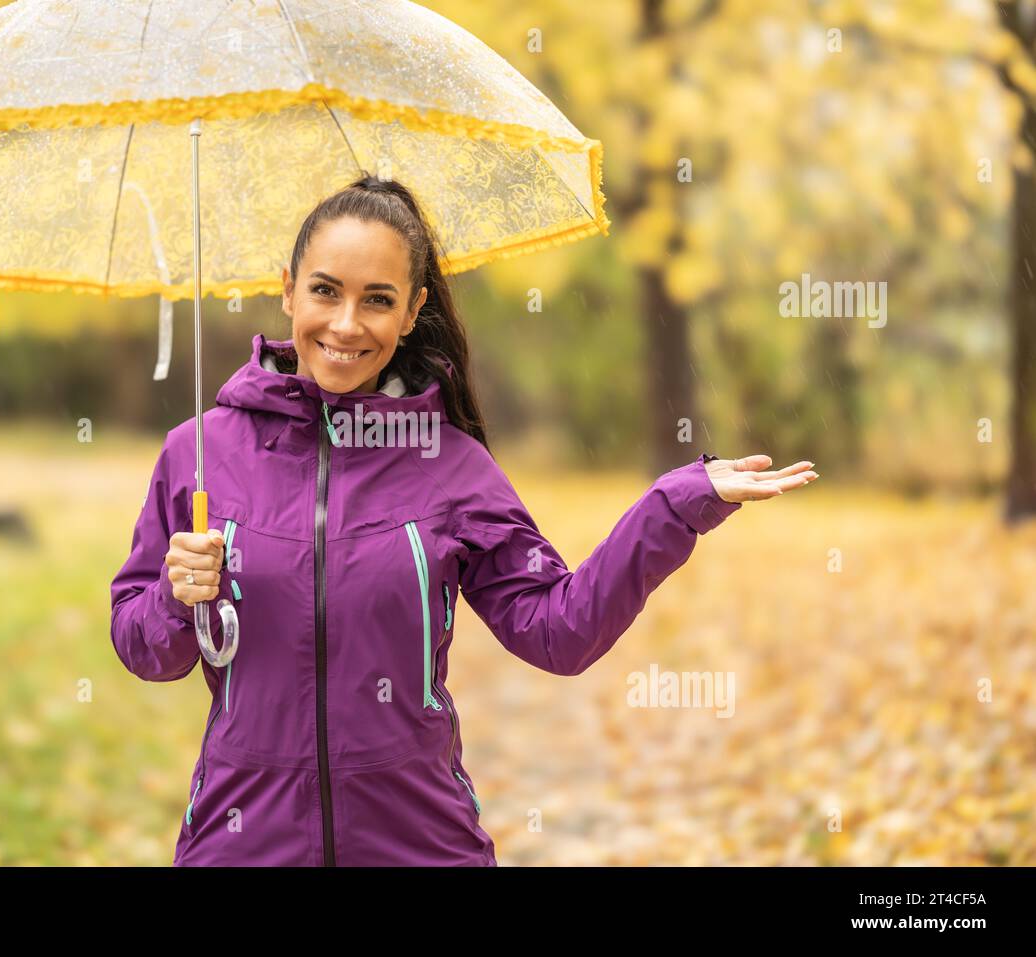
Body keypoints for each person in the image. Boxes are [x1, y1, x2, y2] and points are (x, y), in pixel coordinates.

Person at [109, 174, 817, 867]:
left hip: (418, 843)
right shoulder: (200, 455)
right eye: (325, 290)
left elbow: (561, 631)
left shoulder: (450, 466)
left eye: (377, 299)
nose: (346, 324)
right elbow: (144, 649)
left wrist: (671, 505)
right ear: (287, 287)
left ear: (412, 311)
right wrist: (178, 597)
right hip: (241, 843)